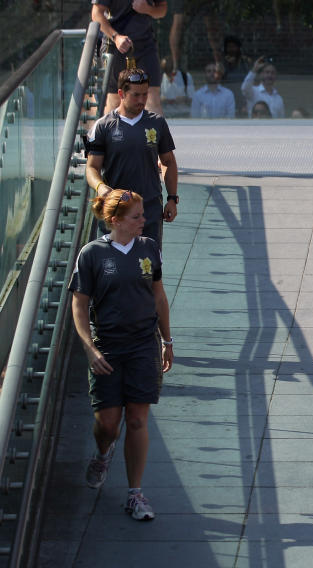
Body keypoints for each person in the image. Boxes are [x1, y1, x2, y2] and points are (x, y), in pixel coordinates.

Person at [70, 188, 174, 521]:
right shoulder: (92, 255)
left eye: (143, 215)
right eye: (137, 217)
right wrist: (89, 347)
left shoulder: (149, 248)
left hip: (143, 344)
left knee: (137, 419)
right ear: (116, 221)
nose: (144, 221)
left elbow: (158, 297)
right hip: (108, 346)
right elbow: (80, 305)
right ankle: (103, 453)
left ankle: (135, 493)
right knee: (109, 424)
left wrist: (167, 341)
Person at [86, 68, 178, 246]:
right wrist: (100, 187)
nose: (142, 100)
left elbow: (168, 161)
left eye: (145, 94)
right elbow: (92, 168)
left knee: (149, 271)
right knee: (113, 269)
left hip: (149, 212)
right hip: (115, 213)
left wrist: (172, 199)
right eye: (136, 95)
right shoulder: (103, 126)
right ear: (121, 93)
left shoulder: (157, 123)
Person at [91, 0, 168, 116]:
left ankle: (154, 142)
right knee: (115, 99)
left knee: (152, 96)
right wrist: (116, 37)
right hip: (116, 46)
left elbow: (162, 10)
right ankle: (111, 141)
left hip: (145, 44)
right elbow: (96, 14)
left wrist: (147, 9)